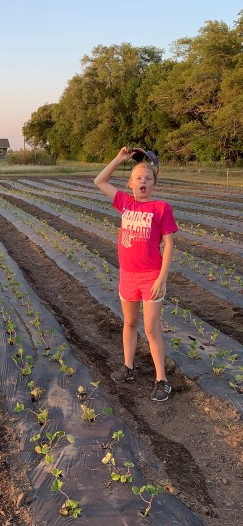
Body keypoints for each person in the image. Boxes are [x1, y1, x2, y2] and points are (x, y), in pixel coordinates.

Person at [94, 147, 178, 401]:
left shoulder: (161, 208)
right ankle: (128, 367)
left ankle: (162, 379)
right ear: (130, 183)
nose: (143, 182)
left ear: (154, 184)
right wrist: (119, 159)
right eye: (138, 178)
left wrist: (162, 278)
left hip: (151, 275)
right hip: (128, 276)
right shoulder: (125, 203)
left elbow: (170, 244)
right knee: (129, 323)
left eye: (148, 179)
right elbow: (99, 181)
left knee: (151, 329)